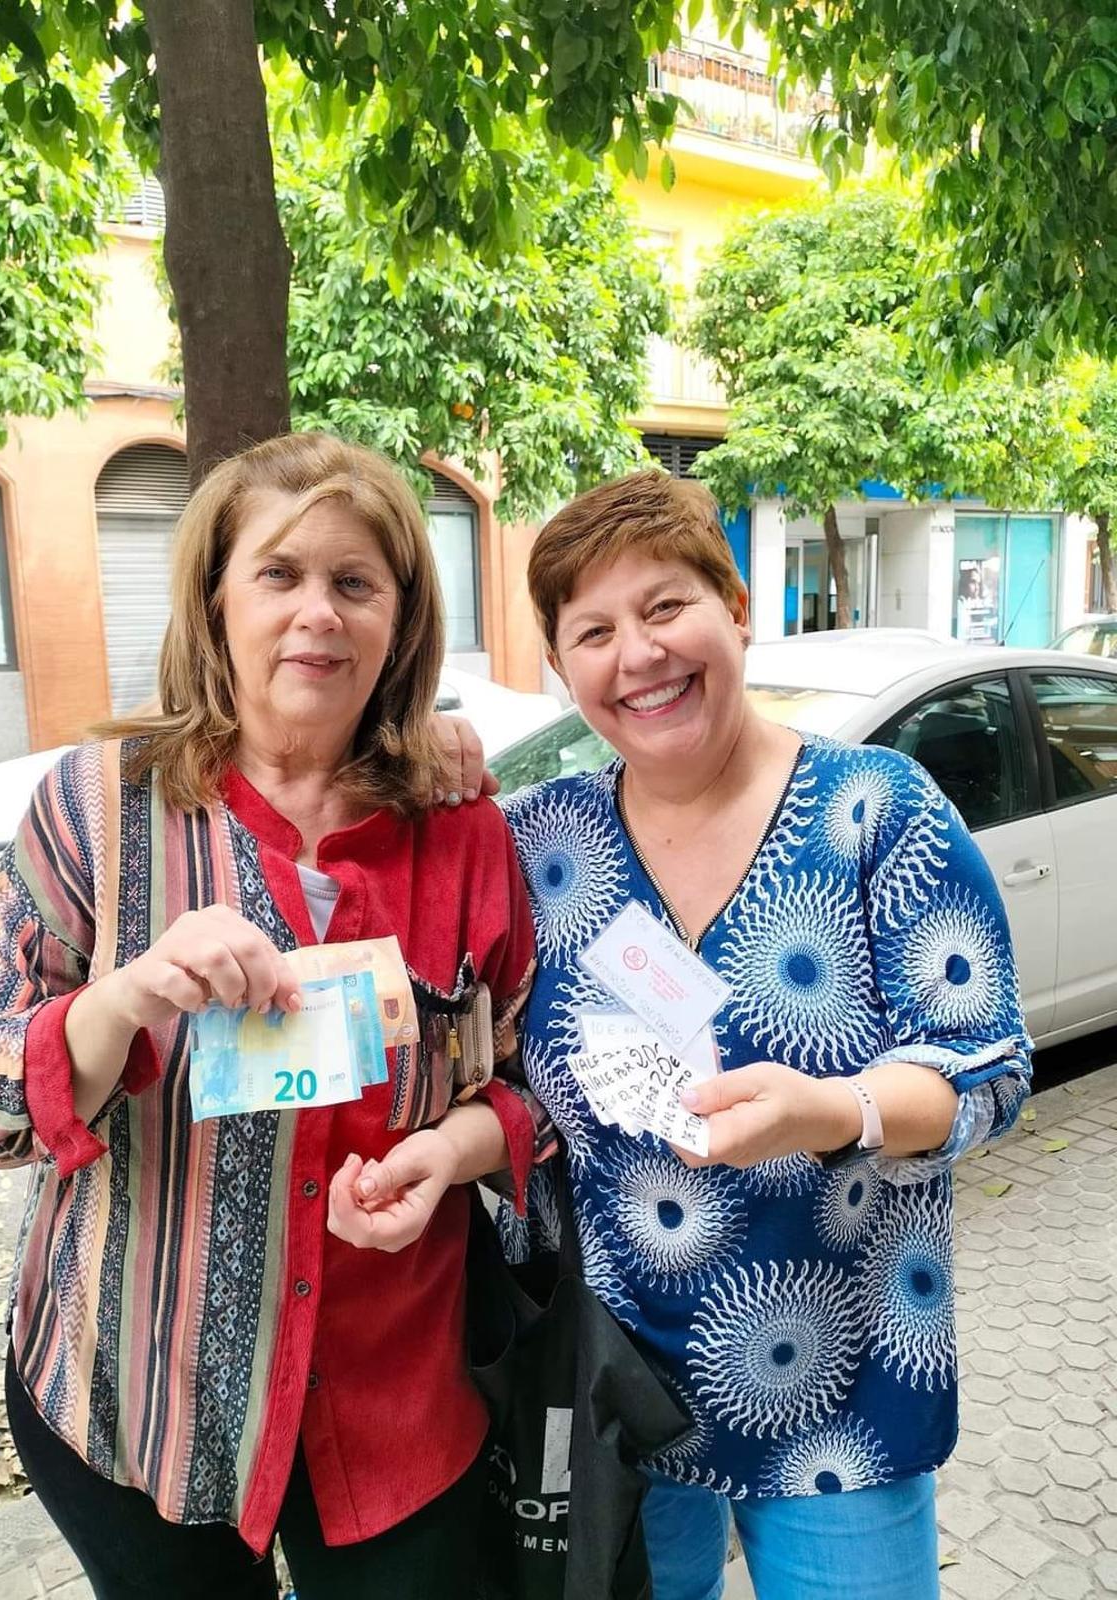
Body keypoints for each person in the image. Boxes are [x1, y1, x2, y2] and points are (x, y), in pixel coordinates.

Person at [0, 432, 552, 1600]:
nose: (318, 611)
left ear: (399, 625)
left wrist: (453, 1150)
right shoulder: (97, 811)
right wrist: (119, 1000)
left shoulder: (465, 836)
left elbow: (530, 1080)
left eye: (355, 582)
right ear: (216, 601)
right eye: (280, 574)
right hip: (140, 1408)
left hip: (397, 1415)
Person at [499, 470, 1032, 1600]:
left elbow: (987, 1064)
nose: (635, 654)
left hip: (841, 1397)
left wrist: (839, 1110)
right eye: (592, 631)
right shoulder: (539, 844)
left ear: (735, 605)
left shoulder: (876, 810)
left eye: (663, 607)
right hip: (620, 1391)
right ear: (561, 667)